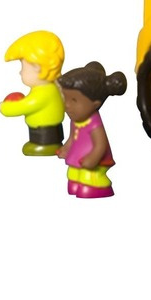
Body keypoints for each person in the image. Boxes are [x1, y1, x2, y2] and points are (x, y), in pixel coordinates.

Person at [57, 62, 127, 198]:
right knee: (72, 173)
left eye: (74, 100)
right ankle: (76, 184)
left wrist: (93, 158)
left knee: (89, 176)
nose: (67, 105)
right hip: (78, 155)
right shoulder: (75, 120)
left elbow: (100, 145)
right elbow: (72, 138)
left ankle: (95, 187)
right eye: (65, 98)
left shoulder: (94, 123)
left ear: (95, 104)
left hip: (95, 160)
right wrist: (66, 148)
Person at [0, 31, 65, 156]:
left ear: (38, 67)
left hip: (45, 133)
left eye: (23, 66)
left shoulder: (44, 92)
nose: (20, 72)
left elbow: (26, 105)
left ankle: (46, 146)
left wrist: (5, 107)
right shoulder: (49, 88)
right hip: (41, 130)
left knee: (44, 140)